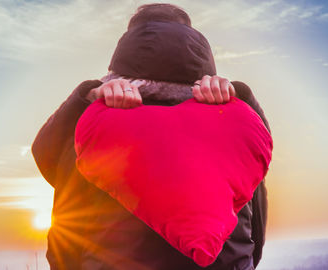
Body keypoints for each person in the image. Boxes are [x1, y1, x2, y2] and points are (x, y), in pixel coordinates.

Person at [32, 4, 270, 270]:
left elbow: (56, 184)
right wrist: (241, 101)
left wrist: (84, 100)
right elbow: (256, 225)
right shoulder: (234, 128)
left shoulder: (96, 127)